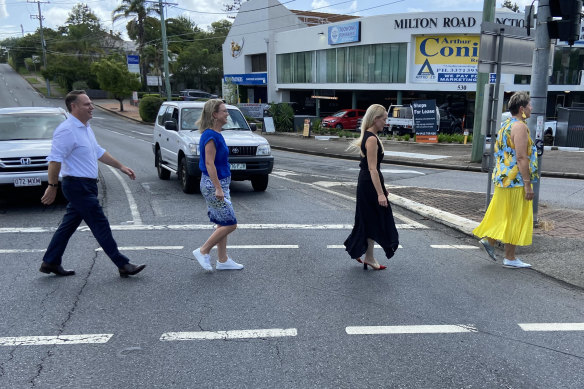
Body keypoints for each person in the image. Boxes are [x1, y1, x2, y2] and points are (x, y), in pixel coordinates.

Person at [39, 90, 146, 278]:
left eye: (91, 103)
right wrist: (52, 185)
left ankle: (51, 261)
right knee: (100, 223)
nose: (92, 107)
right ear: (74, 106)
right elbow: (55, 160)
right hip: (76, 186)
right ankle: (122, 264)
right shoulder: (66, 130)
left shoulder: (85, 127)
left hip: (87, 185)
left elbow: (98, 151)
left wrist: (121, 166)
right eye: (87, 104)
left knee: (68, 225)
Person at [473, 91, 538, 269]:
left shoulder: (506, 125)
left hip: (503, 179)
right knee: (515, 216)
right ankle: (510, 257)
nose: (532, 108)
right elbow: (521, 157)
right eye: (529, 105)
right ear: (522, 108)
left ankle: (490, 241)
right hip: (516, 180)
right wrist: (527, 184)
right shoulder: (520, 127)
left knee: (503, 213)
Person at [344, 104, 399, 270]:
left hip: (367, 184)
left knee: (369, 219)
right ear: (375, 119)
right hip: (369, 185)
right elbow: (373, 169)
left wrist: (382, 188)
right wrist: (380, 194)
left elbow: (372, 169)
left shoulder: (369, 136)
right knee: (376, 219)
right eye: (384, 119)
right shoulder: (372, 139)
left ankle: (367, 255)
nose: (385, 122)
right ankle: (367, 255)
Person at [192, 99, 243, 271]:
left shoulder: (214, 134)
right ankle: (203, 250)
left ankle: (223, 260)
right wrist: (218, 188)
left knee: (222, 223)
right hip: (213, 185)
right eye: (224, 111)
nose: (227, 114)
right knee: (231, 224)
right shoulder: (210, 136)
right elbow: (209, 163)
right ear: (215, 115)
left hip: (219, 184)